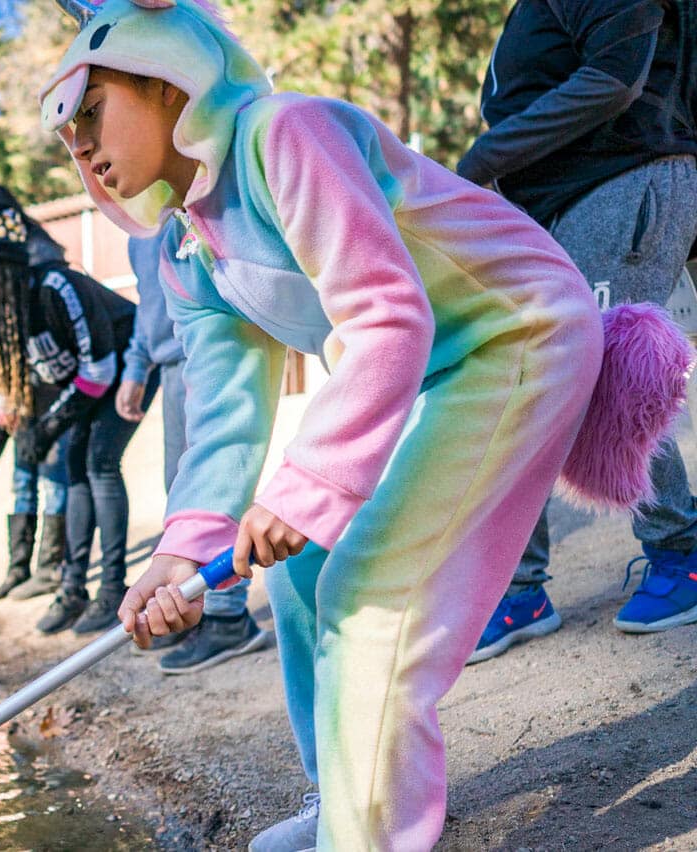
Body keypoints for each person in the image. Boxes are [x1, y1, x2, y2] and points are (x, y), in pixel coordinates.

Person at [37, 0, 680, 846]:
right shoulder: (186, 246)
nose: (78, 144)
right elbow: (226, 414)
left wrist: (311, 485)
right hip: (436, 369)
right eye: (64, 132)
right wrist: (179, 553)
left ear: (166, 82)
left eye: (90, 110)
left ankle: (367, 836)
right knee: (302, 575)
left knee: (370, 597)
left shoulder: (285, 136)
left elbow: (386, 317)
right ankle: (342, 797)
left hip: (518, 332)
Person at [456, 0, 697, 661]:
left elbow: (618, 76)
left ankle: (682, 552)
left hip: (624, 178)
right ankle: (519, 588)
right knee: (522, 375)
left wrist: (481, 160)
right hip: (564, 199)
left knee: (607, 370)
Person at [0, 192, 149, 635]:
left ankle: (112, 589)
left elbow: (98, 369)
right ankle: (72, 590)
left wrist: (51, 426)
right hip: (88, 381)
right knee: (74, 466)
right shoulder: (1, 318)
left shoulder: (55, 287)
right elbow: (5, 405)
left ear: (1, 268)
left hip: (128, 361)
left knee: (98, 463)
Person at [117, 220, 273, 673]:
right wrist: (137, 366)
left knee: (224, 480)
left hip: (208, 354)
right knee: (182, 488)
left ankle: (227, 618)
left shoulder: (200, 213)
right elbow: (149, 308)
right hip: (170, 359)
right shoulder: (138, 235)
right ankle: (196, 600)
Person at [0, 186, 73, 604]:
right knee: (22, 480)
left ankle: (50, 568)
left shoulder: (39, 266)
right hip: (21, 393)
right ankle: (18, 567)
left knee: (53, 480)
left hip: (53, 391)